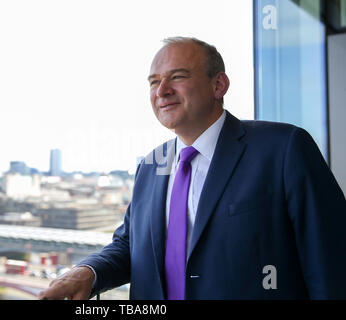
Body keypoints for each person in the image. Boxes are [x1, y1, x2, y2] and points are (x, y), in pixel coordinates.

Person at [39, 36, 346, 300]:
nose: (162, 91)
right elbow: (130, 246)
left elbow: (330, 261)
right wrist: (87, 272)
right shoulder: (150, 165)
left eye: (178, 76)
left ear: (218, 84)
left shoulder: (283, 148)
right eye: (154, 82)